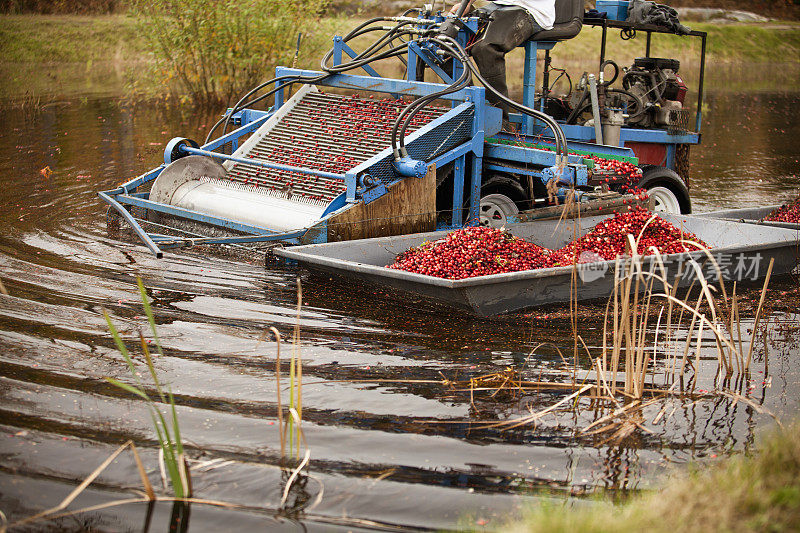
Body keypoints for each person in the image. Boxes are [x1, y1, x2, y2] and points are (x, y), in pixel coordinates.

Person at [451, 1, 556, 126]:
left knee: (487, 49)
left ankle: (499, 123)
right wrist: (466, 4)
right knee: (446, 45)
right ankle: (470, 111)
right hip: (499, 5)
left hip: (531, 9)